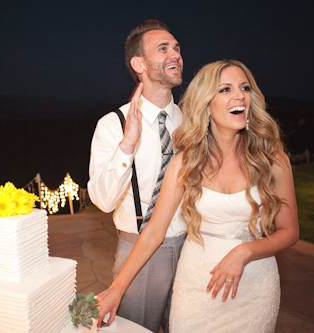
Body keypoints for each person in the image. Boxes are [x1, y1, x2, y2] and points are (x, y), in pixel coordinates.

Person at [96, 59, 299, 332]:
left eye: (245, 88)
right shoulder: (185, 163)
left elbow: (289, 231)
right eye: (225, 89)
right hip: (197, 287)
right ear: (206, 104)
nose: (239, 95)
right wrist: (116, 289)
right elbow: (154, 231)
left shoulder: (272, 159)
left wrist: (245, 251)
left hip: (255, 284)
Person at [88, 19, 187, 332]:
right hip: (139, 253)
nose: (176, 55)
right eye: (163, 48)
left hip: (193, 250)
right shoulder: (112, 125)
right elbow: (103, 201)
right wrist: (127, 145)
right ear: (138, 63)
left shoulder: (192, 122)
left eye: (177, 48)